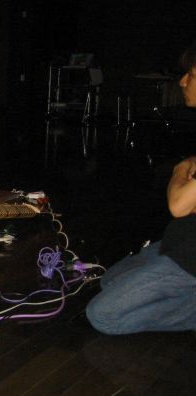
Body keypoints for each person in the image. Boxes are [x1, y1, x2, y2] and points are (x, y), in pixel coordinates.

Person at [85, 43, 196, 335]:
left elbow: (178, 205)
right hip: (180, 242)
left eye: (192, 75)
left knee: (103, 315)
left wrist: (180, 169)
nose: (182, 81)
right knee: (109, 280)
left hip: (190, 258)